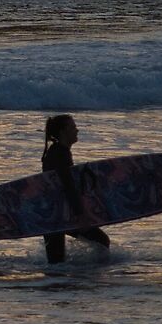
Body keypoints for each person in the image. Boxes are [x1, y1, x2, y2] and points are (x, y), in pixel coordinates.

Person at [40, 113, 111, 266]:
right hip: (58, 215)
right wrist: (80, 215)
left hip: (54, 213)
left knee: (56, 263)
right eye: (73, 127)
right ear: (63, 131)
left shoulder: (58, 151)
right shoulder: (59, 154)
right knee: (101, 241)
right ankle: (87, 277)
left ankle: (68, 282)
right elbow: (67, 186)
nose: (77, 130)